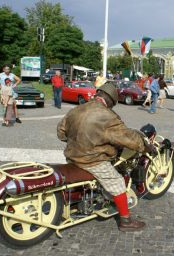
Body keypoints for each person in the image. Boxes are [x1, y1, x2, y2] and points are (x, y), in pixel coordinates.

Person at [57, 83, 154, 232]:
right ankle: (126, 221)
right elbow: (128, 138)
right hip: (91, 161)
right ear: (110, 101)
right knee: (117, 183)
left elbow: (61, 133)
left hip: (72, 157)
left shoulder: (77, 109)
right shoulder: (108, 116)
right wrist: (146, 146)